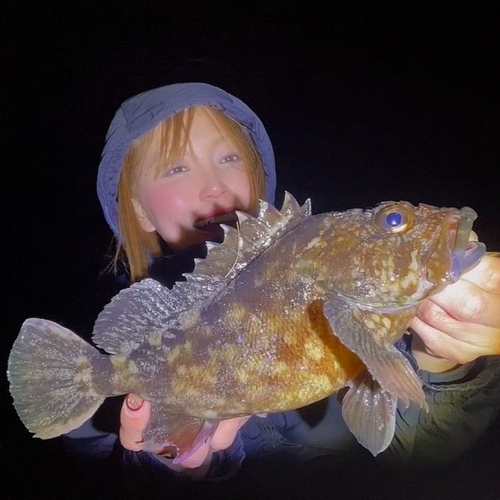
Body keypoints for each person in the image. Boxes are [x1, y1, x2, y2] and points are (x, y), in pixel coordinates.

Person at [66, 82, 500, 492]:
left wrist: (441, 357)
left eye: (229, 158)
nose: (213, 184)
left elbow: (416, 451)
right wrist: (175, 470)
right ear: (139, 212)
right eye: (176, 167)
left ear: (258, 176)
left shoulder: (367, 312)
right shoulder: (128, 353)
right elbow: (102, 467)